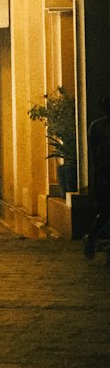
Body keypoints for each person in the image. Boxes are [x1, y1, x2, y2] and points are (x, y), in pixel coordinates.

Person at [82, 96, 110, 264]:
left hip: (103, 173)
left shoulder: (98, 127)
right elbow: (95, 154)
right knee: (105, 212)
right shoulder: (97, 127)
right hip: (104, 174)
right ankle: (91, 240)